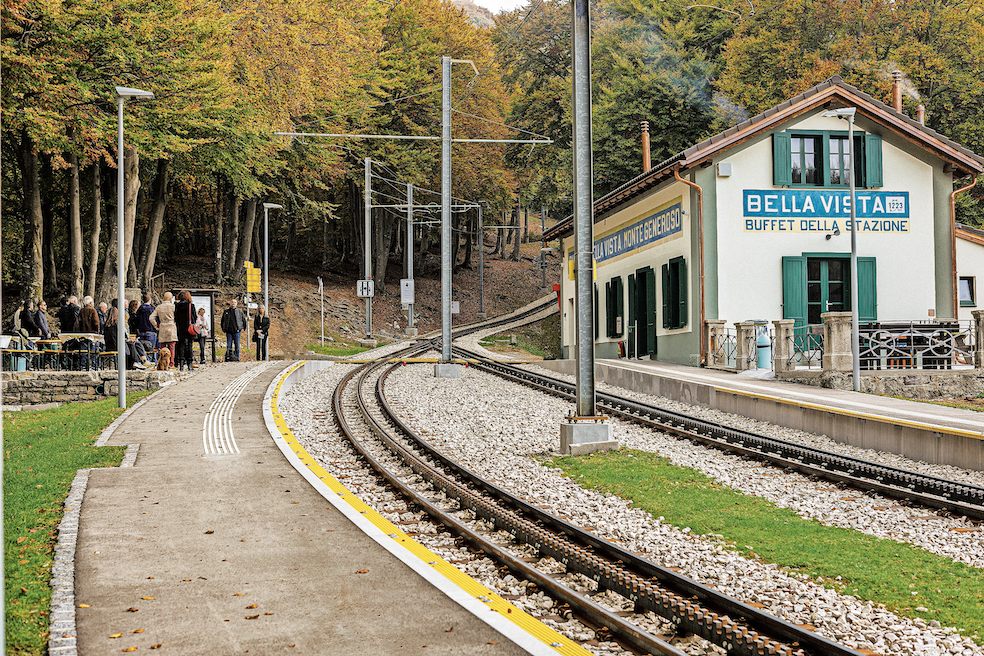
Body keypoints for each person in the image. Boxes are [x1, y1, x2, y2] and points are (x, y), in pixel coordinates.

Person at [104, 301, 149, 370]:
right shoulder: (116, 325)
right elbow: (119, 337)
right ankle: (138, 361)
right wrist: (127, 340)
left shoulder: (106, 325)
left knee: (135, 343)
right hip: (117, 345)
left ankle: (140, 360)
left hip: (109, 346)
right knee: (132, 344)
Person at [150, 291, 177, 367]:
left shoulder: (159, 307)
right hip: (171, 326)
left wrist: (156, 326)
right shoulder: (173, 306)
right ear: (170, 298)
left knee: (162, 346)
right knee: (171, 346)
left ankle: (162, 362)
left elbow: (151, 317)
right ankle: (171, 363)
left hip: (162, 327)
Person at [174, 290, 197, 371]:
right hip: (189, 328)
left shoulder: (177, 306)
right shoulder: (191, 305)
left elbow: (175, 317)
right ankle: (189, 364)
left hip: (180, 328)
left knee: (181, 346)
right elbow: (195, 317)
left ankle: (181, 364)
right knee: (189, 346)